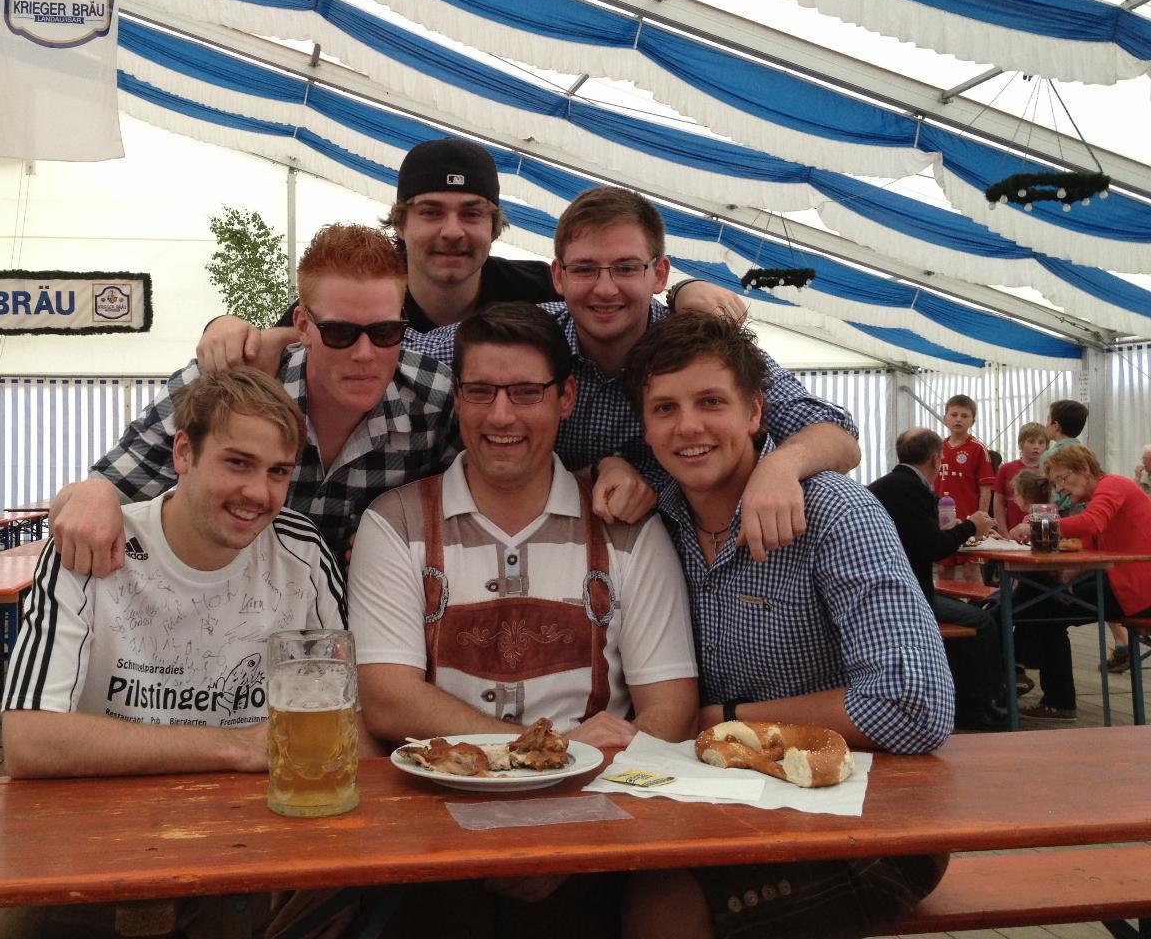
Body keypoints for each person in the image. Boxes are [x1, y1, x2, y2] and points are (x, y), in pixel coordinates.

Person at [349, 303, 699, 931]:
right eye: (481, 391)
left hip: (591, 826)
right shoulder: (393, 522)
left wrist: (564, 817)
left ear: (566, 398)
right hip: (431, 834)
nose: (501, 415)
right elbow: (388, 700)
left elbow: (670, 711)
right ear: (458, 400)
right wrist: (546, 758)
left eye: (526, 393)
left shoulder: (628, 530)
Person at [619, 311, 953, 939]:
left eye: (711, 402)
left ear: (755, 412)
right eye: (665, 409)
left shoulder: (834, 511)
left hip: (867, 822)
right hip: (722, 801)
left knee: (663, 906)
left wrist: (726, 718)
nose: (688, 426)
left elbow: (914, 705)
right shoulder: (657, 516)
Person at [0, 369, 349, 939]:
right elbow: (30, 741)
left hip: (253, 847)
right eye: (238, 463)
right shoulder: (93, 547)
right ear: (183, 452)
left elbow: (352, 721)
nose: (260, 493)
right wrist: (239, 747)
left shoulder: (301, 554)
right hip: (94, 844)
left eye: (278, 472)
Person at [414, 186, 861, 557]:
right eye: (584, 269)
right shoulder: (526, 340)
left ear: (660, 274)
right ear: (558, 277)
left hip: (669, 564)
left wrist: (779, 468)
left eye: (626, 268)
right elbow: (399, 354)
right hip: (537, 556)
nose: (605, 288)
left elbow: (838, 435)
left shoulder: (700, 348)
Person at [48, 223, 458, 577]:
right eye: (340, 333)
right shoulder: (223, 386)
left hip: (363, 624)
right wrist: (93, 495)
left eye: (386, 332)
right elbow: (99, 494)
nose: (365, 354)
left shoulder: (433, 397)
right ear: (303, 326)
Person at [197, 138, 745, 371]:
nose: (452, 231)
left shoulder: (539, 290)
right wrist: (225, 326)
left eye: (472, 213)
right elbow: (278, 339)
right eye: (431, 212)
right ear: (401, 222)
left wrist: (684, 292)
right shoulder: (364, 301)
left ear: (494, 225)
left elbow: (619, 294)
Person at [868, 428, 1007, 731]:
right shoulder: (911, 490)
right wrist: (970, 526)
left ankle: (968, 694)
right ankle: (976, 705)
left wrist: (950, 530)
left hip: (889, 589)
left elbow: (918, 539)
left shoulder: (886, 485)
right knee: (982, 621)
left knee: (972, 612)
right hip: (907, 595)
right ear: (936, 459)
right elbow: (933, 549)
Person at [1009, 444, 1151, 720]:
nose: (1060, 489)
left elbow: (1092, 523)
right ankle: (1019, 667)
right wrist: (1068, 574)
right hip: (1126, 583)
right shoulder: (1103, 493)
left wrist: (1039, 525)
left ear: (1084, 470)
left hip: (1138, 590)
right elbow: (1092, 543)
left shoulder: (1113, 484)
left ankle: (1022, 671)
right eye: (1056, 483)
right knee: (1042, 601)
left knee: (1042, 608)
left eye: (1062, 479)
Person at [933, 394, 993, 585]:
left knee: (971, 568)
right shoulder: (937, 449)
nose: (958, 419)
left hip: (969, 520)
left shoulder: (977, 449)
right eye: (954, 414)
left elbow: (985, 488)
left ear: (972, 421)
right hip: (943, 520)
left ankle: (981, 603)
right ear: (945, 418)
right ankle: (946, 605)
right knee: (944, 569)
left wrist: (981, 518)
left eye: (964, 416)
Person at [992, 423, 1048, 538]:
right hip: (1010, 530)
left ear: (1047, 446)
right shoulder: (1006, 469)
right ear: (1021, 444)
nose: (1036, 446)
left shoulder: (1049, 471)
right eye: (1031, 442)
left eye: (1041, 442)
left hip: (1040, 532)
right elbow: (998, 502)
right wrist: (1003, 530)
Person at [1044, 398, 1089, 514]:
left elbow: (1047, 491)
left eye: (1048, 419)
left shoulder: (1050, 456)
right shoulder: (1086, 453)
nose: (1046, 424)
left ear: (1056, 425)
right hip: (1084, 510)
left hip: (1058, 512)